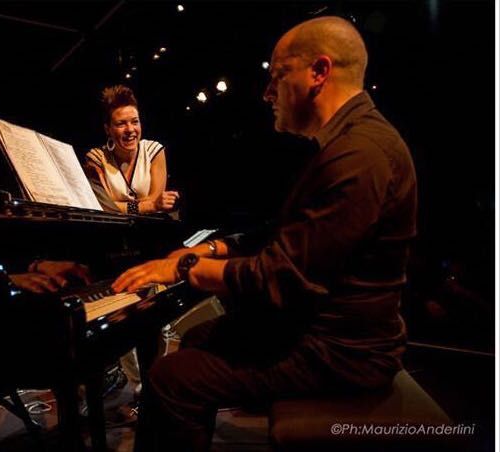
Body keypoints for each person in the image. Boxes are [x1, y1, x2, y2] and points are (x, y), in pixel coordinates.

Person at [112, 16, 417, 451]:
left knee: (170, 379)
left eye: (278, 76)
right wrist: (213, 247)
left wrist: (184, 267)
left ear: (319, 72)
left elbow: (281, 277)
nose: (267, 92)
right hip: (331, 332)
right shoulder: (348, 142)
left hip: (344, 350)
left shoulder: (360, 154)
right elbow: (284, 233)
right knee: (197, 338)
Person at [85, 85, 179, 214]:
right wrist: (149, 205)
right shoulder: (97, 158)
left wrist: (119, 205)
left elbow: (155, 199)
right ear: (108, 129)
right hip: (114, 225)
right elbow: (104, 206)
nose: (130, 129)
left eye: (135, 122)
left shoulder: (154, 151)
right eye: (121, 124)